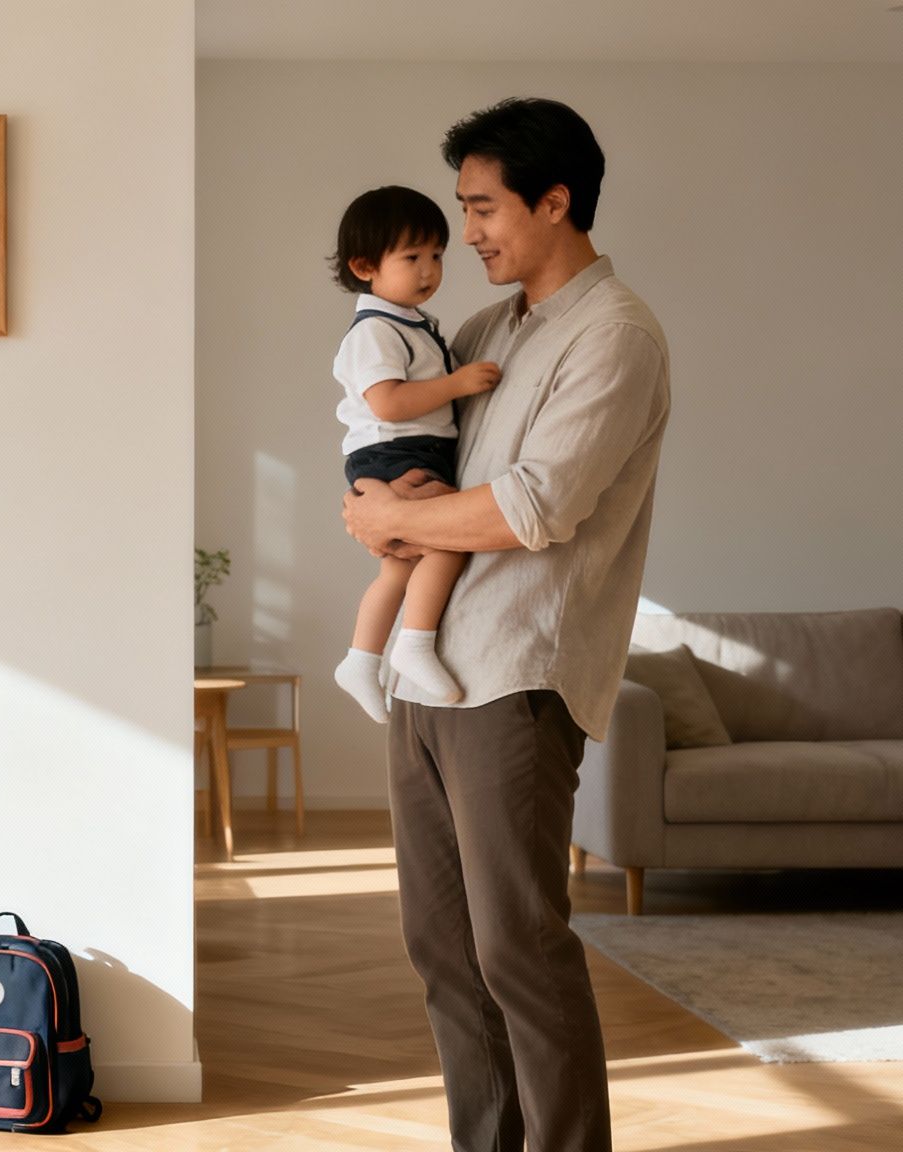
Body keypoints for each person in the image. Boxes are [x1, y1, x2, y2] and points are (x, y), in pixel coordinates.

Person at [341, 97, 670, 1152]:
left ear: (554, 200)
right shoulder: (484, 332)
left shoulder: (615, 336)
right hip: (427, 672)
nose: (466, 234)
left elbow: (529, 508)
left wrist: (395, 515)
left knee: (517, 948)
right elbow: (402, 458)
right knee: (441, 948)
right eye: (461, 211)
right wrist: (385, 513)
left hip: (517, 681)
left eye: (481, 209)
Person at [328, 185, 502, 722]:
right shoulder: (375, 330)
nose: (429, 270)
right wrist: (456, 384)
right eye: (412, 258)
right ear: (365, 266)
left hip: (400, 450)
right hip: (394, 450)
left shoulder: (408, 322)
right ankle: (414, 642)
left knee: (400, 570)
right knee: (447, 542)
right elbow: (389, 401)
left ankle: (361, 658)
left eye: (437, 256)